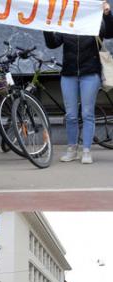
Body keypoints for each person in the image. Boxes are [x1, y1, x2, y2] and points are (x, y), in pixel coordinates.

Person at [45, 2, 113, 164]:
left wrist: (107, 14)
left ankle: (87, 150)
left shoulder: (94, 23)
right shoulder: (67, 24)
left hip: (90, 73)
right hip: (68, 74)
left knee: (87, 113)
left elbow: (110, 32)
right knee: (70, 115)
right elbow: (52, 43)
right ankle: (72, 149)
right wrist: (44, 25)